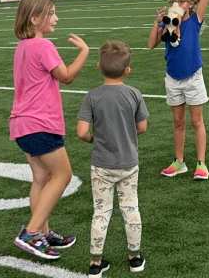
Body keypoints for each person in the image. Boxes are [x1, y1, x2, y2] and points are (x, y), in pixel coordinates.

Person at [10, 0, 90, 260]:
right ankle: (32, 232)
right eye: (51, 13)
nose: (56, 18)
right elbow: (66, 76)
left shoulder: (22, 47)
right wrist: (84, 52)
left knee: (41, 178)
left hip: (22, 124)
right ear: (35, 19)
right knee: (62, 175)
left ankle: (42, 232)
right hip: (40, 124)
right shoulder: (42, 45)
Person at [77, 40, 149, 276]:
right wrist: (127, 134)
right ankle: (134, 258)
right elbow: (142, 127)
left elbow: (81, 132)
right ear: (128, 70)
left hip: (101, 164)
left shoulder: (92, 96)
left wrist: (94, 139)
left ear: (98, 66)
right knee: (131, 208)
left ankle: (95, 263)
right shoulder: (134, 94)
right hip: (128, 162)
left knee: (101, 212)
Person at [146, 0, 209, 181]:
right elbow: (150, 45)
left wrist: (189, 3)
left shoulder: (194, 20)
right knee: (178, 122)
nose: (176, 5)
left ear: (190, 4)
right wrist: (158, 22)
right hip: (173, 78)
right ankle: (179, 161)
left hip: (193, 77)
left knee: (197, 121)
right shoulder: (168, 23)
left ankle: (201, 163)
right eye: (173, 2)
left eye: (180, 1)